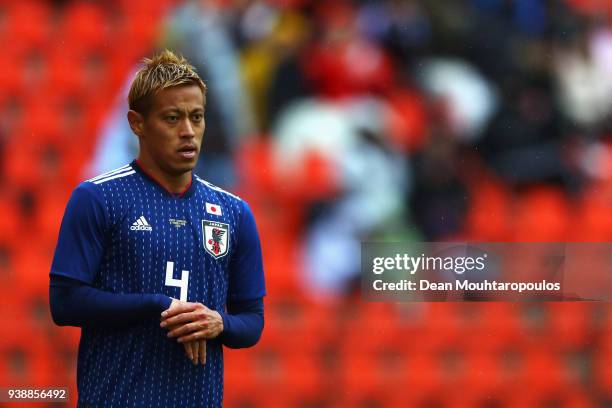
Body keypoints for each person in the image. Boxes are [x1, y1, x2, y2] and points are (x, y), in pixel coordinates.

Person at [49, 50, 266, 407]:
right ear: (137, 123)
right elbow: (64, 303)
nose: (188, 132)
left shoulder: (234, 212)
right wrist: (158, 306)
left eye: (197, 118)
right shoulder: (97, 198)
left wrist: (218, 324)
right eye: (172, 118)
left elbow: (252, 322)